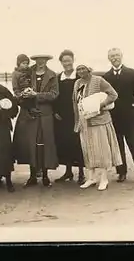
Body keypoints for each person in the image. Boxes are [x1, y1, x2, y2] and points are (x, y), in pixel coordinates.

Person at [103, 48, 134, 184]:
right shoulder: (106, 77)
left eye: (117, 55)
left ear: (122, 56)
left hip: (130, 118)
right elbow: (103, 96)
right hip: (113, 118)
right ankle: (121, 173)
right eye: (112, 56)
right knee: (118, 147)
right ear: (109, 59)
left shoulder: (132, 74)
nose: (115, 58)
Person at [73, 64, 122, 191]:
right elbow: (75, 103)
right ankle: (91, 178)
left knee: (101, 150)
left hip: (99, 121)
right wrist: (77, 121)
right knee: (88, 150)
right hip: (84, 122)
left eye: (84, 68)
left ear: (89, 69)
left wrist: (101, 105)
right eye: (78, 69)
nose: (81, 71)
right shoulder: (77, 83)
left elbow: (113, 94)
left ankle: (104, 179)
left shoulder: (98, 80)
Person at [13, 54, 59, 188]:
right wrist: (24, 99)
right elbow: (17, 90)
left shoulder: (52, 75)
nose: (40, 62)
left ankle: (45, 176)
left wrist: (37, 95)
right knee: (30, 145)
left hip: (45, 114)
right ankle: (32, 176)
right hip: (29, 113)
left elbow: (54, 94)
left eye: (43, 60)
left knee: (45, 145)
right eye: (38, 60)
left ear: (47, 61)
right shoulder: (27, 73)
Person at [53, 50, 85, 184]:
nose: (67, 63)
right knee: (65, 143)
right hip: (62, 116)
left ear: (73, 60)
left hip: (77, 115)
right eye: (64, 61)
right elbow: (55, 96)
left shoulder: (79, 76)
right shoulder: (58, 77)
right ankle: (68, 172)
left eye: (69, 60)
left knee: (78, 143)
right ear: (61, 62)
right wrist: (55, 111)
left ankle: (82, 174)